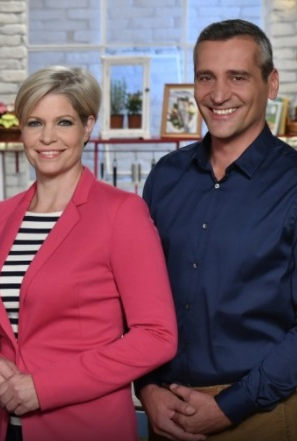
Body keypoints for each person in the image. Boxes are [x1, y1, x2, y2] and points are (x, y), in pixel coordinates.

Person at [0, 65, 178, 441]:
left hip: (87, 427)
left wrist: (45, 387)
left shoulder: (121, 212)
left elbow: (157, 335)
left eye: (63, 122)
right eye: (35, 123)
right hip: (8, 428)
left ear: (87, 127)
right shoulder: (1, 216)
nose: (47, 137)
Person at [137, 19, 297, 441]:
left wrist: (230, 407)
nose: (219, 94)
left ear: (271, 83)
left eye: (237, 77)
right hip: (166, 412)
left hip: (263, 415)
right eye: (206, 77)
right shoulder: (165, 177)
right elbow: (135, 297)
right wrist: (147, 387)